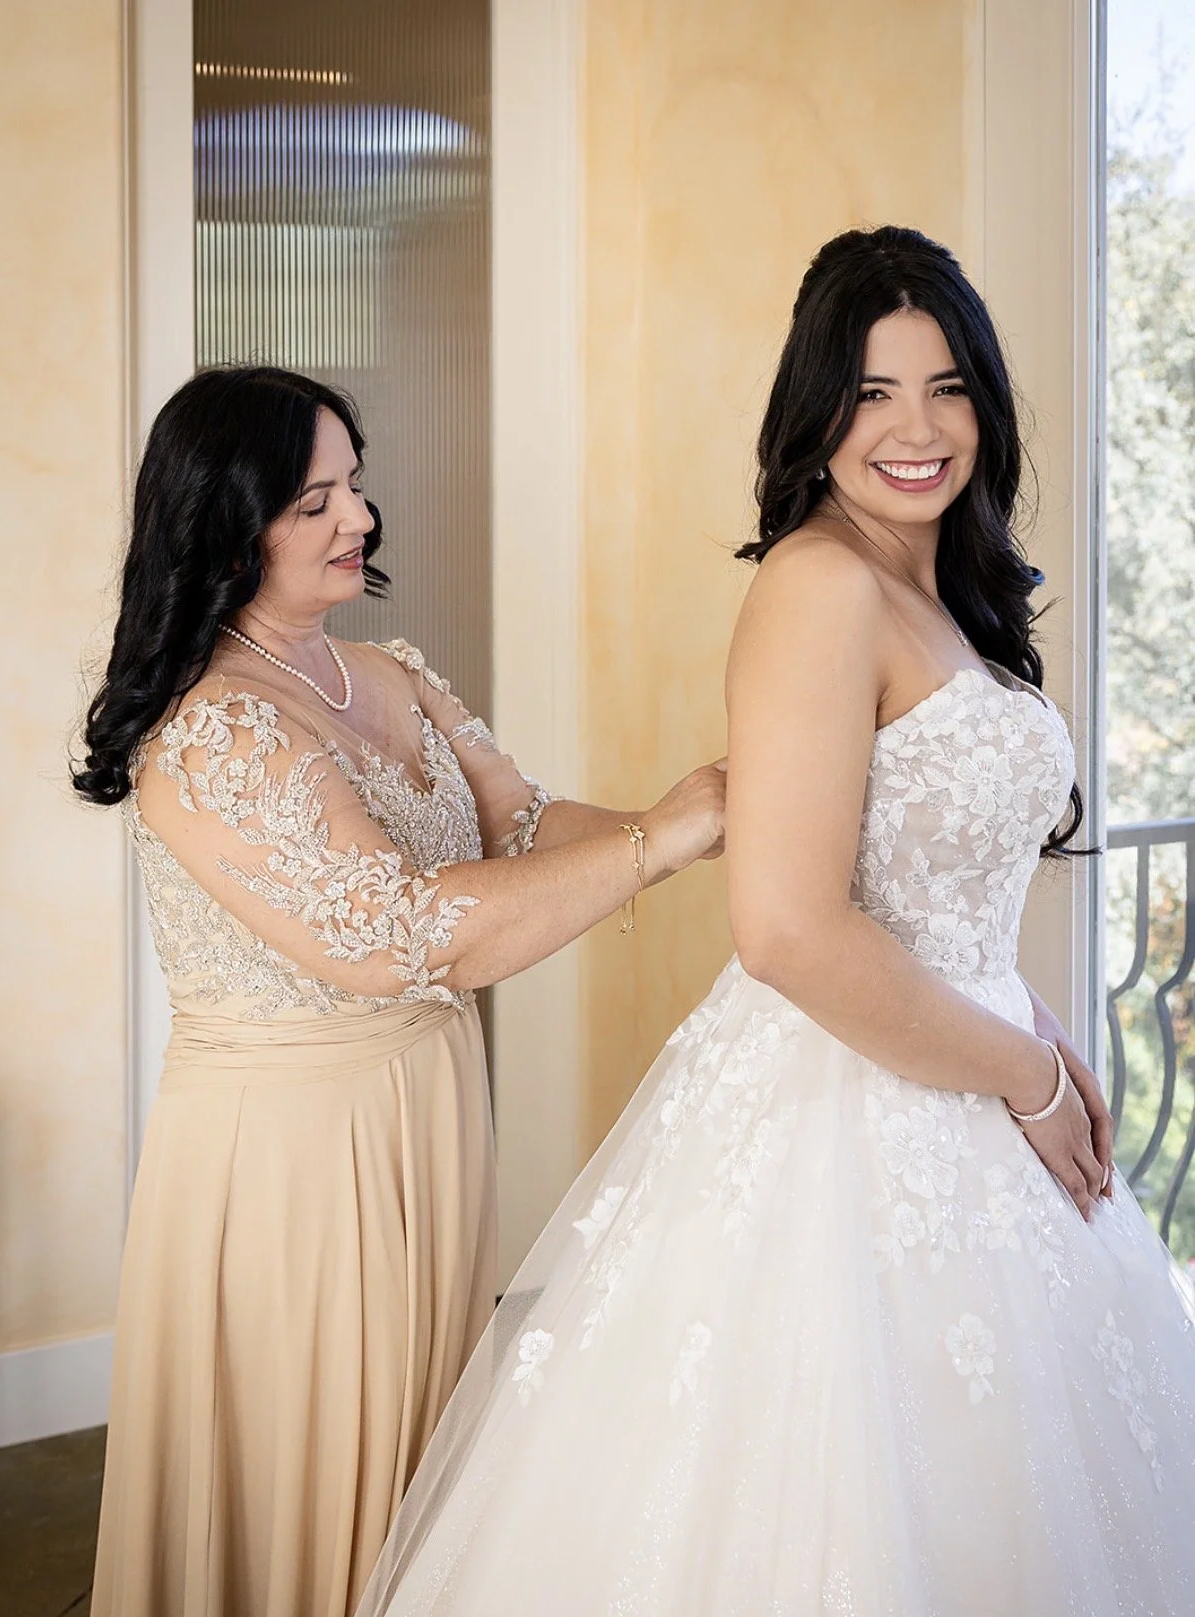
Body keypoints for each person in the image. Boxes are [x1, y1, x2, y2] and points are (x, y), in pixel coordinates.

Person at [355, 227, 1195, 1617]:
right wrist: (1026, 1071)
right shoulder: (817, 584)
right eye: (870, 393)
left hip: (968, 1058)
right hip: (846, 1109)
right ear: (815, 413)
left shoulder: (945, 588)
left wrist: (1033, 1023)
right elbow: (789, 931)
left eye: (946, 388)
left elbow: (946, 897)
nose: (915, 430)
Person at [73, 365, 726, 1617]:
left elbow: (524, 824)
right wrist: (664, 844)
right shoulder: (210, 731)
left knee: (428, 1464)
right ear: (227, 519)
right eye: (313, 500)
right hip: (291, 1165)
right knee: (315, 1476)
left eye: (355, 487)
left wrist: (704, 815)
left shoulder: (394, 673)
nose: (357, 521)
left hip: (425, 1121)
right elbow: (407, 934)